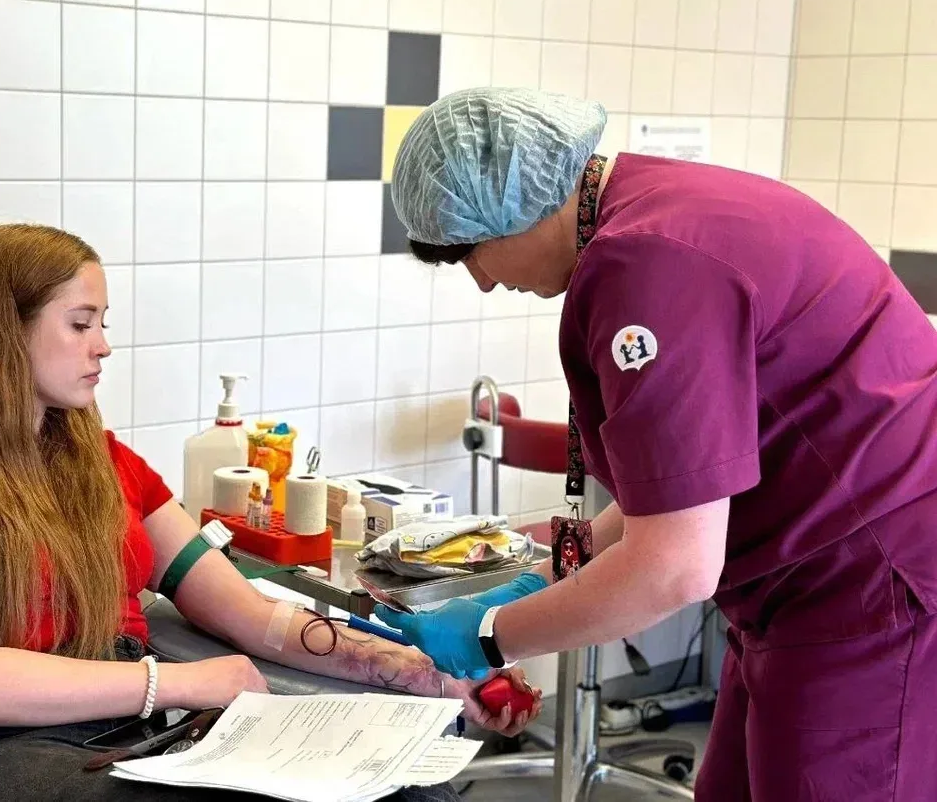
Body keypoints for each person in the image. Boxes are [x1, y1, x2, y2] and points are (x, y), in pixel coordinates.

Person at [376, 87, 937, 801]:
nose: (483, 282)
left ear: (515, 204)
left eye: (470, 253)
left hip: (870, 589)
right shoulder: (649, 204)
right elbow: (676, 497)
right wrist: (549, 572)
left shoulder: (646, 266)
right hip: (803, 579)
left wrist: (491, 636)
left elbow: (674, 568)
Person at [0, 223, 532, 802]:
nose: (103, 345)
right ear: (0, 334)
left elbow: (252, 615)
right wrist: (172, 681)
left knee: (403, 790)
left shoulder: (108, 465)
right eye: (80, 324)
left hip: (134, 736)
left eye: (102, 324)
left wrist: (427, 670)